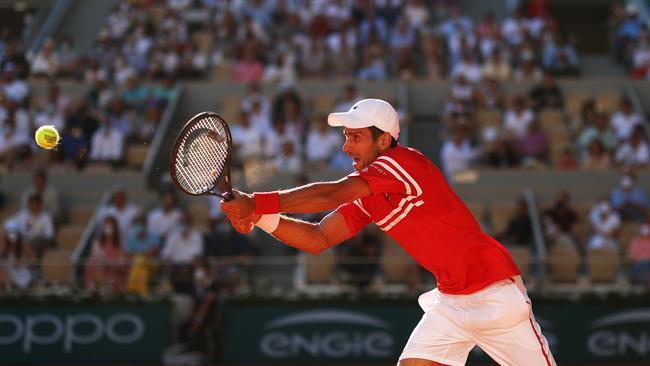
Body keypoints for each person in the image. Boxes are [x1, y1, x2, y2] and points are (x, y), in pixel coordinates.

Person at [221, 98, 556, 366]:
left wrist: (257, 202)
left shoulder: (404, 162)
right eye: (345, 138)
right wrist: (260, 216)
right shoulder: (369, 194)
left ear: (384, 140)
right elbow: (319, 238)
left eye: (355, 138)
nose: (346, 147)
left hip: (495, 295)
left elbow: (331, 194)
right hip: (451, 303)